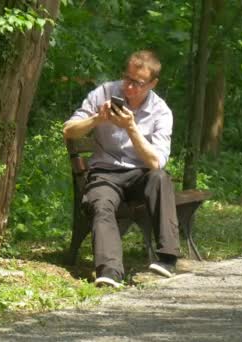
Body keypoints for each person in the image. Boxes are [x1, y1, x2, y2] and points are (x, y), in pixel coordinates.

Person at [62, 50, 179, 288]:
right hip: (105, 173)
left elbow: (156, 162)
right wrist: (97, 118)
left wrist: (131, 128)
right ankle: (109, 271)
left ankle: (167, 257)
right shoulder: (104, 92)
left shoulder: (161, 111)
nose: (129, 87)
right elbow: (69, 130)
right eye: (127, 78)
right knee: (101, 203)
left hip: (140, 176)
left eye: (138, 83)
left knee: (160, 178)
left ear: (153, 83)